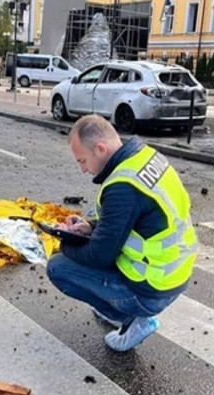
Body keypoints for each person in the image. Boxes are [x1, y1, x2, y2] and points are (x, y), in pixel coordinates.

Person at [46, 115, 197, 352]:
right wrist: (90, 226)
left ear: (100, 148)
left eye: (82, 160)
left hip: (151, 288)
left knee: (58, 268)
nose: (83, 169)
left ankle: (132, 319)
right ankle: (124, 308)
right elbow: (138, 218)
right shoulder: (145, 156)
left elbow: (98, 256)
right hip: (175, 271)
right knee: (82, 256)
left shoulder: (122, 187)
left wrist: (62, 241)